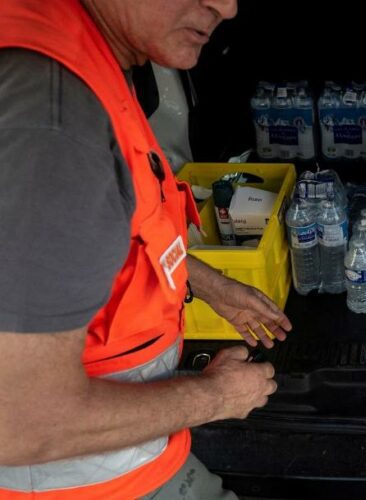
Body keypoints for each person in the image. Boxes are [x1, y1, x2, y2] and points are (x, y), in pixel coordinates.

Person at [0, 0, 290, 498]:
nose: (226, 6)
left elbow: (120, 227)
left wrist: (209, 283)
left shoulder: (86, 58)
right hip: (84, 482)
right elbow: (22, 423)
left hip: (135, 453)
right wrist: (216, 397)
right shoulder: (52, 126)